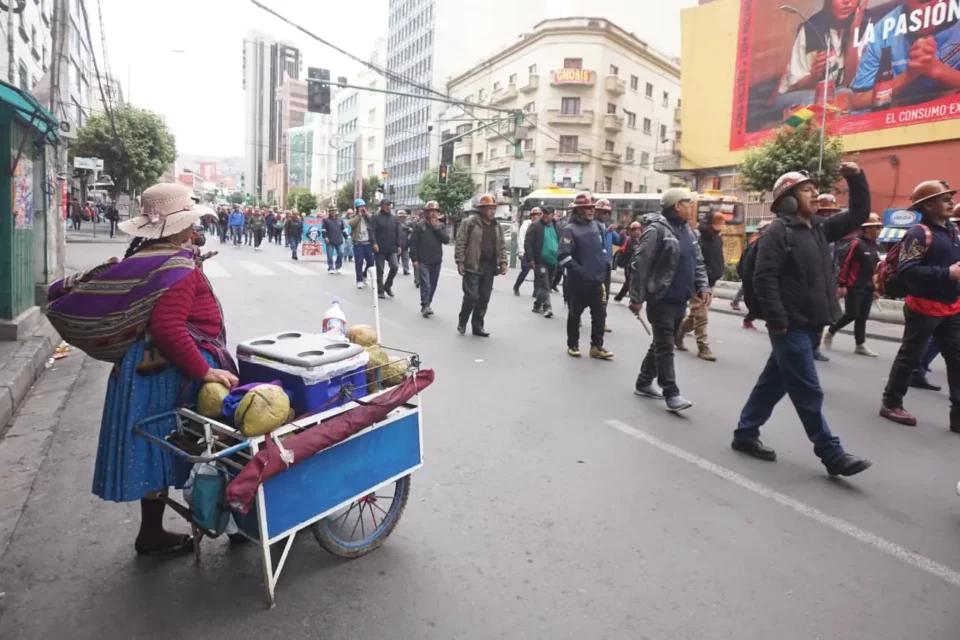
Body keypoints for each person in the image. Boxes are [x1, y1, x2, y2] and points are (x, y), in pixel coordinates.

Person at [54, 182, 240, 556]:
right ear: (179, 226)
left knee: (155, 450)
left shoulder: (149, 256)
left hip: (143, 368)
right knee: (198, 442)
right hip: (163, 372)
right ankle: (229, 518)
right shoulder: (177, 268)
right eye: (190, 221)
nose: (195, 228)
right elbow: (169, 327)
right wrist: (205, 372)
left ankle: (152, 532)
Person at [732, 162, 872, 476]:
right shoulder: (777, 232)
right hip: (790, 326)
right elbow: (764, 278)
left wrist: (856, 178)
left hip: (812, 323)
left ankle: (745, 433)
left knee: (773, 383)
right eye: (807, 190)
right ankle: (832, 454)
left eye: (814, 189)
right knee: (809, 391)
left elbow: (858, 214)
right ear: (789, 200)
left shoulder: (819, 229)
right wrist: (778, 321)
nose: (815, 194)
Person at [880, 180, 960, 431]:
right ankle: (891, 403)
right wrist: (947, 273)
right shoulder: (918, 233)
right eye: (944, 199)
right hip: (923, 307)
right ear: (928, 205)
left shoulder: (952, 232)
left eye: (950, 198)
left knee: (957, 360)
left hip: (951, 307)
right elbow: (907, 270)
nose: (951, 202)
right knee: (909, 358)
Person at [629, 189, 710, 412]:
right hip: (661, 297)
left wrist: (703, 286)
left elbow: (698, 262)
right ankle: (671, 393)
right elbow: (639, 265)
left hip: (681, 298)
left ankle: (644, 381)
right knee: (665, 345)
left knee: (661, 342)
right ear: (677, 206)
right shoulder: (656, 230)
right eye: (687, 203)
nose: (691, 207)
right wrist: (637, 298)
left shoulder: (689, 232)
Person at [849, 0, 960, 112]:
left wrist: (938, 70)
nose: (937, 4)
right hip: (901, 116)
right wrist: (909, 75)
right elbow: (858, 101)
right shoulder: (883, 31)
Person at [774, 0, 866, 114]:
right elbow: (797, 84)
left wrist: (854, 33)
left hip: (831, 93)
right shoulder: (811, 29)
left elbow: (847, 82)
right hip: (792, 96)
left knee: (846, 95)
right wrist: (814, 75)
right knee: (820, 99)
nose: (846, 1)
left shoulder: (858, 27)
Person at [557, 194, 613, 359]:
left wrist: (602, 271)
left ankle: (596, 346)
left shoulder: (597, 227)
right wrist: (581, 272)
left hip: (597, 281)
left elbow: (601, 251)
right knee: (575, 316)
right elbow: (563, 257)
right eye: (588, 208)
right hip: (578, 283)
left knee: (600, 316)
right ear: (578, 210)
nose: (591, 210)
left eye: (593, 207)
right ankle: (572, 345)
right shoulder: (570, 230)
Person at [823, 212, 883, 356]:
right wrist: (842, 284)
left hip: (868, 287)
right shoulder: (856, 243)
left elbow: (874, 269)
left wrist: (876, 288)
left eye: (880, 227)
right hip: (854, 286)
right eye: (876, 227)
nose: (879, 230)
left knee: (863, 317)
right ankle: (831, 331)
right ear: (867, 229)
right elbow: (845, 263)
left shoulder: (875, 246)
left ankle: (860, 345)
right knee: (852, 314)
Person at [455, 195, 507, 337]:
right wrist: (460, 261)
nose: (492, 211)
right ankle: (463, 321)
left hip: (489, 267)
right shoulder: (469, 223)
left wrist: (503, 262)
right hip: (472, 265)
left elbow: (502, 246)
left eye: (494, 208)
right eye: (490, 208)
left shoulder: (497, 226)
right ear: (482, 209)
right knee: (471, 296)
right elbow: (461, 242)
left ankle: (478, 326)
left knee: (484, 298)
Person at [676, 210, 725, 362]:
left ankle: (677, 334)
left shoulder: (718, 238)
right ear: (707, 224)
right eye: (714, 228)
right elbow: (695, 261)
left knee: (695, 315)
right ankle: (703, 347)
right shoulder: (696, 237)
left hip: (710, 282)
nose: (716, 231)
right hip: (697, 282)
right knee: (701, 316)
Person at [409, 201, 449, 318]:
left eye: (435, 212)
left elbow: (446, 240)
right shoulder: (420, 226)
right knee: (425, 284)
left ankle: (428, 304)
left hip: (436, 261)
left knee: (433, 285)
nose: (433, 214)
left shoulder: (441, 226)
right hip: (423, 261)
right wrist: (414, 259)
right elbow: (413, 243)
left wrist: (437, 228)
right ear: (426, 213)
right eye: (431, 211)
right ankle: (425, 305)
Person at [525, 206, 559, 319]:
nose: (544, 216)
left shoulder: (557, 227)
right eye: (543, 213)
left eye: (547, 214)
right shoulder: (535, 226)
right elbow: (528, 243)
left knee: (546, 285)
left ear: (552, 215)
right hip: (540, 261)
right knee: (544, 284)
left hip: (553, 261)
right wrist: (530, 259)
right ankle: (547, 307)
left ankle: (537, 304)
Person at [370, 199, 401, 299]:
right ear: (382, 206)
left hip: (391, 247)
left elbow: (398, 231)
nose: (388, 207)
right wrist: (374, 243)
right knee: (380, 269)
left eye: (389, 205)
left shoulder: (394, 217)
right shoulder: (375, 217)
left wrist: (399, 245)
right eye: (387, 205)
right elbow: (372, 231)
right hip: (379, 248)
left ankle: (387, 286)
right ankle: (380, 290)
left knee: (395, 266)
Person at [513, 208, 541, 296]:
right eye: (534, 215)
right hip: (527, 252)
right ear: (531, 216)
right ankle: (516, 286)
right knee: (525, 270)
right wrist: (521, 251)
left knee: (538, 273)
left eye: (538, 215)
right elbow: (521, 239)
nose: (536, 217)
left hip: (537, 253)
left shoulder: (541, 226)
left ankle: (535, 292)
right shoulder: (525, 226)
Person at [348, 200, 375, 290]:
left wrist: (365, 214)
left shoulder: (368, 216)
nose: (362, 208)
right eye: (360, 207)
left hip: (368, 243)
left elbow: (373, 221)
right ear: (356, 208)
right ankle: (359, 280)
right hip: (358, 243)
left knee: (371, 262)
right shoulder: (354, 217)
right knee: (359, 262)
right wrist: (359, 215)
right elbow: (351, 224)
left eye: (363, 206)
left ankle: (364, 274)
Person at [614, 221, 643, 303]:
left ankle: (619, 297)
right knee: (630, 282)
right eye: (635, 230)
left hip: (636, 265)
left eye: (638, 230)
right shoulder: (628, 240)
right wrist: (621, 236)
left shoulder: (641, 240)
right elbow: (620, 242)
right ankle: (631, 299)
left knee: (629, 282)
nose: (637, 232)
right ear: (631, 231)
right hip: (628, 265)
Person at [322, 208, 346, 274]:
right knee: (330, 255)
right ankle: (330, 267)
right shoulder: (325, 220)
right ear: (329, 212)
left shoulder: (340, 220)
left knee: (341, 253)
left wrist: (346, 237)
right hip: (330, 240)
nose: (333, 212)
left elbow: (343, 230)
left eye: (334, 211)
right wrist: (325, 237)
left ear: (336, 211)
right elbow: (323, 230)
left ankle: (338, 266)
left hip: (339, 240)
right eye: (331, 211)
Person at [397, 210, 413, 276]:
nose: (402, 218)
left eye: (403, 217)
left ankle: (406, 270)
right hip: (397, 244)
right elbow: (402, 227)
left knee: (406, 258)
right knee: (396, 259)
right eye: (401, 217)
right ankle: (394, 269)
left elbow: (411, 230)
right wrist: (407, 228)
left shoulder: (407, 224)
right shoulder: (396, 224)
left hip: (405, 244)